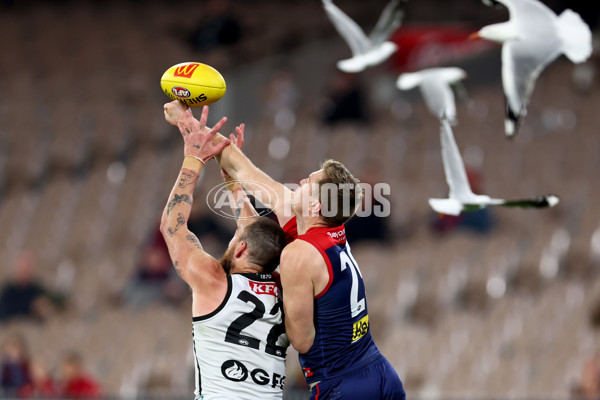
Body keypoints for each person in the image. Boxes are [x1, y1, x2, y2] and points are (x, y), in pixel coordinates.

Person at [165, 101, 405, 400]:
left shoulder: (299, 254)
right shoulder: (322, 227)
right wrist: (188, 123)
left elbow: (302, 340)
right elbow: (244, 169)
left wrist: (277, 294)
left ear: (316, 205)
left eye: (309, 182)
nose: (301, 181)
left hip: (342, 383)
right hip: (379, 371)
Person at [162, 105, 289, 399]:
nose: (232, 238)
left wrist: (192, 160)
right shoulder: (287, 289)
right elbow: (253, 231)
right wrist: (232, 180)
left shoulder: (214, 281)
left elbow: (173, 228)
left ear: (241, 248)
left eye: (234, 238)